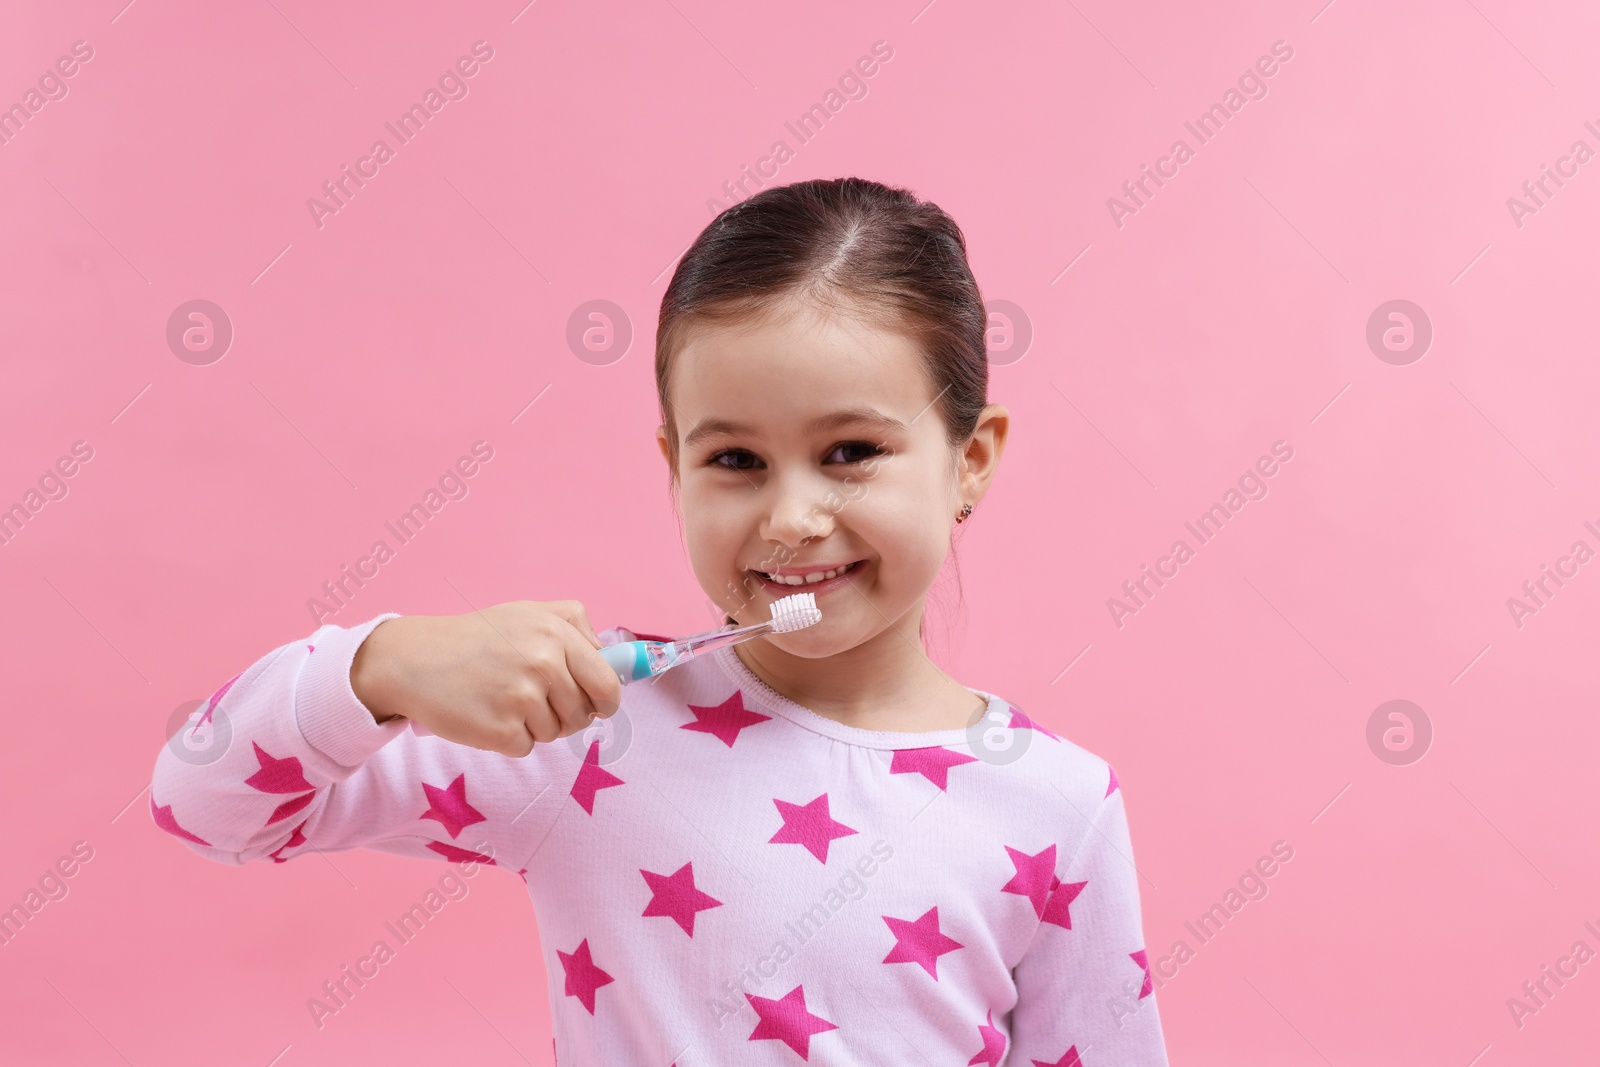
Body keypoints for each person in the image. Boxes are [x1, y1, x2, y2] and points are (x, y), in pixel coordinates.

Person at [151, 176, 1171, 1064]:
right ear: (672, 464)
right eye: (733, 459)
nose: (791, 517)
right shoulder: (590, 728)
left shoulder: (1057, 803)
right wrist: (380, 665)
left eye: (852, 449)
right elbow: (203, 802)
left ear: (972, 458)